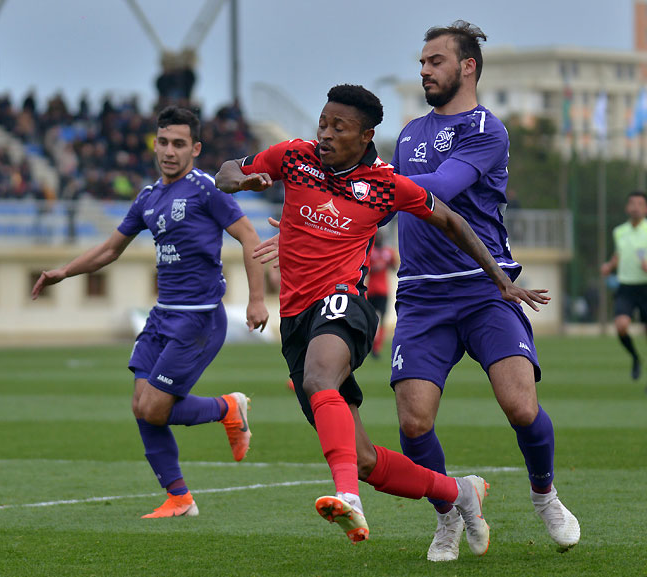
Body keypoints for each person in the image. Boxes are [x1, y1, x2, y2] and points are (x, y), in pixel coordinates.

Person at [216, 84, 548, 549]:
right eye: (323, 123)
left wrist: (500, 279)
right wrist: (240, 180)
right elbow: (228, 172)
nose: (326, 134)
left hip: (344, 303)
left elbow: (452, 221)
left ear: (366, 134)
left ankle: (347, 496)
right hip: (294, 317)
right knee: (365, 457)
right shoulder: (293, 156)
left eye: (339, 127)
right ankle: (460, 493)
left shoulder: (385, 185)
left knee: (318, 379)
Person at [388, 21, 580, 560]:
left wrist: (368, 182)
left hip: (484, 288)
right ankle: (452, 512)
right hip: (423, 296)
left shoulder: (486, 129)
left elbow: (442, 190)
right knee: (413, 421)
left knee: (521, 406)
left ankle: (545, 496)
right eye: (422, 62)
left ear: (467, 67)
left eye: (435, 61)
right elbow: (387, 207)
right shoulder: (407, 134)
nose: (424, 70)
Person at [31, 106, 269, 518]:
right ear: (154, 145)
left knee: (155, 408)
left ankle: (228, 408)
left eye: (179, 144)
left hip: (197, 319)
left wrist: (257, 298)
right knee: (140, 405)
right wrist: (64, 272)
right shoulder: (148, 197)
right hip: (162, 317)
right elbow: (109, 249)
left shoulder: (207, 189)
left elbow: (249, 237)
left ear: (195, 148)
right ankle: (179, 498)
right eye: (163, 142)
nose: (169, 151)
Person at [600, 190, 647, 382]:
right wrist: (610, 265)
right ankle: (635, 358)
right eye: (632, 203)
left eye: (640, 204)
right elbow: (619, 255)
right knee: (621, 326)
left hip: (645, 288)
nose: (635, 207)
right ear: (628, 207)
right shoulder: (619, 231)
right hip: (626, 288)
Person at [366, 229, 398, 359]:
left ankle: (377, 348)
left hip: (383, 291)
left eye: (381, 237)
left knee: (383, 321)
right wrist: (375, 267)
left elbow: (394, 267)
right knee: (371, 321)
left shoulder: (388, 252)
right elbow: (365, 268)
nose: (379, 238)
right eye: (377, 236)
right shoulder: (370, 251)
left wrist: (390, 262)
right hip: (371, 290)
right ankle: (369, 345)